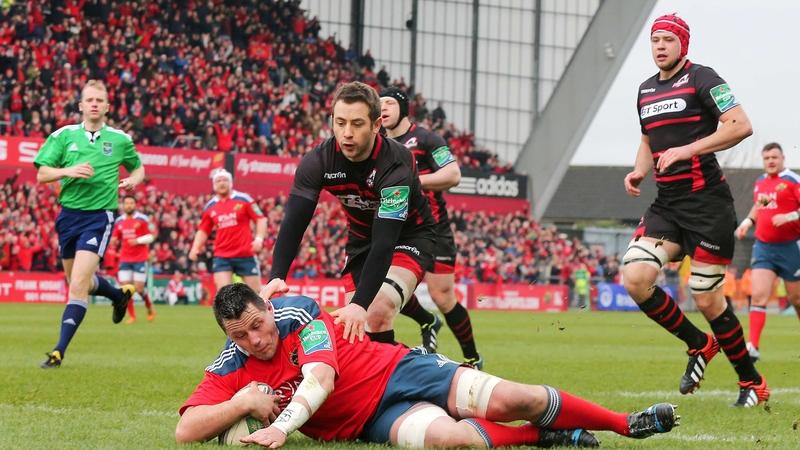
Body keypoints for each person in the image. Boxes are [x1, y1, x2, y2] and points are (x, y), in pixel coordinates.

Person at [175, 284, 680, 448]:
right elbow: (185, 430)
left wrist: (282, 425)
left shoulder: (298, 311)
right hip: (369, 421)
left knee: (513, 399)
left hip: (398, 370)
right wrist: (240, 402)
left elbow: (320, 378)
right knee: (453, 441)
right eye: (240, 336)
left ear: (267, 309)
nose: (256, 340)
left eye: (257, 325)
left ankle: (623, 424)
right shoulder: (231, 364)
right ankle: (546, 436)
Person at [622, 14, 768, 406]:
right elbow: (646, 139)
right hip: (667, 205)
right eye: (655, 40)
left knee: (705, 297)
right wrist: (639, 170)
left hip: (708, 206)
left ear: (683, 45)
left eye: (669, 40)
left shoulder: (704, 78)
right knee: (635, 276)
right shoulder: (644, 90)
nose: (660, 47)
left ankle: (750, 381)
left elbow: (740, 125)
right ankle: (699, 344)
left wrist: (687, 150)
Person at [262, 82, 437, 346]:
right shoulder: (318, 160)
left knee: (374, 312)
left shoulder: (396, 164)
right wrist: (277, 274)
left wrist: (361, 304)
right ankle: (396, 369)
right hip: (360, 239)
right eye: (340, 122)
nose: (346, 133)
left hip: (409, 235)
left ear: (377, 124)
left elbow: (385, 242)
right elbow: (294, 222)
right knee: (354, 332)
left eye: (357, 124)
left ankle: (406, 375)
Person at [35, 80, 142, 369]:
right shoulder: (62, 136)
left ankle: (58, 352)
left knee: (79, 284)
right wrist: (69, 170)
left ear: (107, 107)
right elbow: (42, 174)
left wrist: (134, 179)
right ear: (81, 105)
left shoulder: (120, 139)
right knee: (75, 282)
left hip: (99, 217)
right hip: (68, 216)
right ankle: (119, 295)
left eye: (100, 100)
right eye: (89, 100)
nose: (94, 104)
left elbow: (138, 166)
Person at [380, 87, 482, 367]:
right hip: (396, 228)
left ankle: (472, 358)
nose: (383, 108)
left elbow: (453, 174)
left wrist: (413, 181)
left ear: (403, 108)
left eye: (389, 103)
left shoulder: (426, 138)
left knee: (442, 295)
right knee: (382, 286)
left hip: (434, 228)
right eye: (379, 104)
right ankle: (427, 322)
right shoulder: (377, 144)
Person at [734, 142, 800, 363]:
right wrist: (747, 222)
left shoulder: (792, 181)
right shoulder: (761, 182)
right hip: (764, 247)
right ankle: (753, 346)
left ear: (782, 158)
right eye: (767, 158)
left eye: (774, 157)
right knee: (759, 294)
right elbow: (761, 204)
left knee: (797, 299)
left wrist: (789, 216)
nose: (771, 161)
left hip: (791, 247)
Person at [189, 169, 267, 294]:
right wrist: (195, 248)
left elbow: (261, 219)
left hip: (245, 253)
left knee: (257, 294)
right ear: (215, 185)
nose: (222, 183)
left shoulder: (244, 199)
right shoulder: (210, 207)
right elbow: (203, 230)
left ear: (230, 183)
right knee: (223, 295)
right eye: (219, 180)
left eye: (225, 180)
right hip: (222, 255)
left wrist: (259, 239)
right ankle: (232, 314)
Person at [110, 195, 156, 323]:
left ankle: (148, 306)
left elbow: (152, 236)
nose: (129, 205)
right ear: (123, 205)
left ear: (135, 205)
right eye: (126, 203)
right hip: (125, 258)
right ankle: (132, 316)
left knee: (139, 288)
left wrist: (138, 240)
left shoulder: (143, 219)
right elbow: (115, 238)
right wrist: (113, 241)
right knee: (125, 289)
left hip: (140, 258)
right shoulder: (119, 221)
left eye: (131, 203)